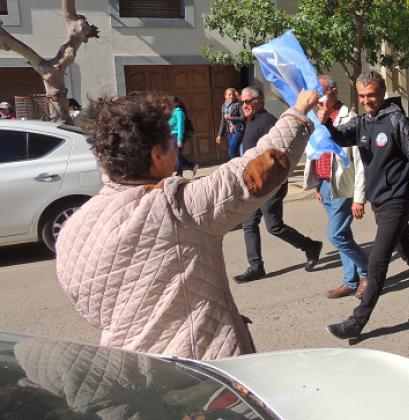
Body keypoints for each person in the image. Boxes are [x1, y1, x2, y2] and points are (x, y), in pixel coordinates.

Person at [55, 90, 319, 360]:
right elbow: (258, 168)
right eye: (171, 143)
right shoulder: (173, 208)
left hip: (130, 369)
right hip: (199, 372)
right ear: (157, 157)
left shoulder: (72, 229)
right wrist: (298, 112)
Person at [324, 70, 409, 339]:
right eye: (363, 96)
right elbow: (340, 138)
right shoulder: (364, 122)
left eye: (372, 95)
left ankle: (357, 321)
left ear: (382, 92)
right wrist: (325, 124)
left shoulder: (396, 121)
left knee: (377, 262)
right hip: (380, 201)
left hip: (398, 200)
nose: (367, 100)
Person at [234, 86, 323, 283]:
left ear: (259, 101)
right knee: (249, 223)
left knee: (274, 226)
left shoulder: (268, 122)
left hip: (272, 183)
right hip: (255, 183)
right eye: (242, 102)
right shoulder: (251, 121)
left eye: (248, 102)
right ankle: (256, 266)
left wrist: (277, 180)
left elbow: (281, 151)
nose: (244, 106)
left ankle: (310, 246)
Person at [303, 75, 369, 299]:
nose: (317, 98)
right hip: (324, 184)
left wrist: (359, 197)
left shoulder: (347, 118)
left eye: (320, 93)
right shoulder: (317, 117)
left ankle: (369, 271)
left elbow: (360, 161)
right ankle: (350, 281)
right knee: (344, 233)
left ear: (333, 92)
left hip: (342, 186)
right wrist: (316, 185)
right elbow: (315, 153)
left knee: (336, 234)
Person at [168, 96, 199, 178]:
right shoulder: (172, 112)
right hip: (172, 136)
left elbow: (180, 126)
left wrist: (179, 140)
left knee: (176, 155)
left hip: (178, 135)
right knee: (175, 155)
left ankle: (179, 173)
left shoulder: (179, 112)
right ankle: (192, 166)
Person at [215, 88, 246, 159]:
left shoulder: (238, 105)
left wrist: (231, 118)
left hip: (239, 130)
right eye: (229, 95)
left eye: (232, 95)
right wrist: (219, 135)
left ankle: (234, 165)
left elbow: (243, 118)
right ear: (225, 96)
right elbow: (223, 121)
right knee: (235, 151)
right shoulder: (223, 107)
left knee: (231, 151)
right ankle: (238, 167)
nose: (231, 96)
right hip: (230, 131)